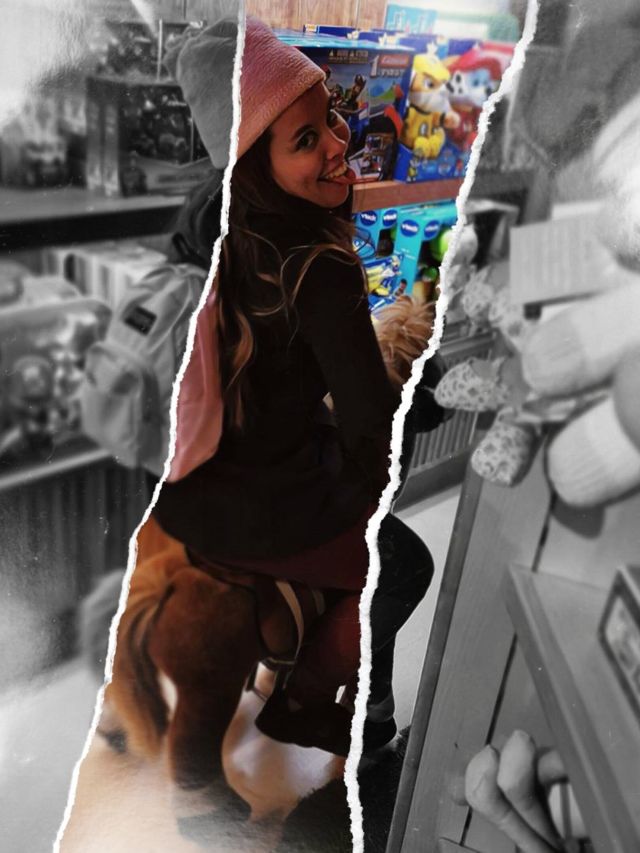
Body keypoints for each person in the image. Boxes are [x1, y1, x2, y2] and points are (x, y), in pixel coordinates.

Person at [154, 15, 437, 757]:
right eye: (306, 140)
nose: (340, 145)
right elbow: (370, 425)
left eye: (331, 118)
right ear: (256, 162)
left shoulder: (207, 220)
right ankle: (304, 700)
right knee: (403, 564)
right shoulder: (319, 263)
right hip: (258, 500)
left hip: (191, 482)